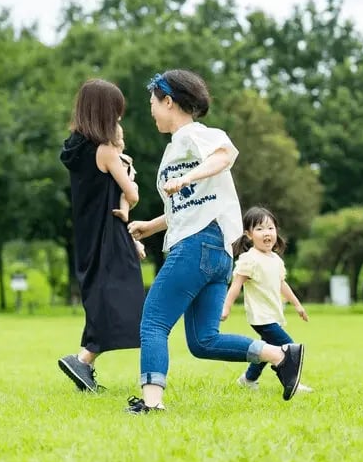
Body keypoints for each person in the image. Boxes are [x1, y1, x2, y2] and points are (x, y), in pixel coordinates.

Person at [125, 70, 304, 414]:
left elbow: (224, 155)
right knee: (203, 341)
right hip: (215, 253)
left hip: (197, 246)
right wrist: (151, 226)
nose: (150, 111)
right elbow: (189, 205)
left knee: (153, 322)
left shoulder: (195, 134)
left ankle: (152, 403)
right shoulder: (175, 149)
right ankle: (281, 355)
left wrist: (186, 176)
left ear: (169, 101)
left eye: (153, 103)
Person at [58, 79, 145, 392]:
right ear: (105, 113)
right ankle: (83, 360)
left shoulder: (76, 149)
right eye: (116, 112)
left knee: (103, 296)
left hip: (88, 234)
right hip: (109, 231)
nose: (119, 118)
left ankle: (84, 363)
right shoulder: (106, 151)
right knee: (125, 299)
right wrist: (130, 177)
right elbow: (131, 194)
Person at [221, 206, 313, 393]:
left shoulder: (276, 260)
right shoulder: (249, 259)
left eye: (270, 228)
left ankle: (248, 379)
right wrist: (226, 308)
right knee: (289, 347)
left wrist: (297, 305)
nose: (266, 233)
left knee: (265, 349)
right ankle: (292, 382)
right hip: (261, 317)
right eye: (260, 229)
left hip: (273, 314)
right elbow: (236, 285)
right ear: (248, 235)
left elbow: (281, 284)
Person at [110, 123, 146, 260]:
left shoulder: (119, 158)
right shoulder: (117, 155)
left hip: (129, 188)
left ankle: (125, 212)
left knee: (125, 199)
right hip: (126, 190)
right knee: (124, 225)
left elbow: (130, 192)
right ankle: (136, 244)